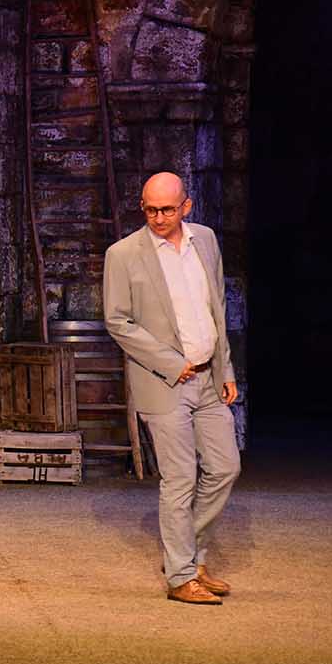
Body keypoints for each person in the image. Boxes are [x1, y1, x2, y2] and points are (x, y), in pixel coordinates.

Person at [103, 171, 240, 606]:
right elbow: (117, 321)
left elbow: (217, 307)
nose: (158, 218)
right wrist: (170, 363)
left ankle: (187, 557)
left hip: (207, 377)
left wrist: (225, 368)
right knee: (180, 478)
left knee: (225, 467)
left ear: (186, 206)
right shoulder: (123, 254)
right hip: (164, 382)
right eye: (150, 210)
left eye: (167, 209)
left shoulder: (206, 240)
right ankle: (181, 576)